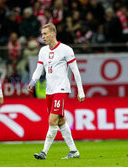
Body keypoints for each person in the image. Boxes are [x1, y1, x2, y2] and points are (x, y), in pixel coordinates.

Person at [28, 23, 85, 160]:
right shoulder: (43, 51)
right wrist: (32, 82)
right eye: (42, 34)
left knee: (52, 119)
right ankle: (73, 151)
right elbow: (39, 69)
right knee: (60, 121)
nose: (43, 37)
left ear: (53, 33)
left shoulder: (66, 49)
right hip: (50, 90)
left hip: (62, 88)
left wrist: (80, 90)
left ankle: (44, 152)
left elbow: (75, 71)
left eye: (45, 34)